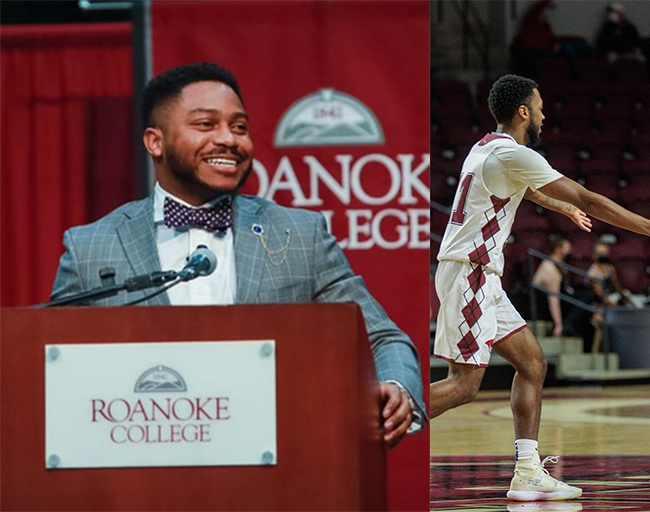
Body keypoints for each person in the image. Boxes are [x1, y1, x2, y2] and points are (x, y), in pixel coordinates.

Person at [50, 62, 425, 449]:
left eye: (240, 127)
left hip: (279, 465)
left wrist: (396, 387)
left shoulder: (299, 235)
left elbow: (382, 338)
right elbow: (54, 364)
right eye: (206, 124)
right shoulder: (91, 247)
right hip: (138, 467)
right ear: (155, 142)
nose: (229, 139)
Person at [431, 74, 650, 501]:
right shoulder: (512, 152)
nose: (542, 113)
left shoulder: (486, 147)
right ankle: (373, 428)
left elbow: (529, 189)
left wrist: (559, 205)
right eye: (537, 106)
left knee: (533, 363)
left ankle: (527, 472)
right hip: (472, 273)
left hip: (479, 275)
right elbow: (589, 197)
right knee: (465, 384)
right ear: (523, 112)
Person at [532, 235, 579, 337]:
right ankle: (566, 325)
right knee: (585, 297)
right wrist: (558, 325)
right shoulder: (550, 269)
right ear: (558, 250)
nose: (570, 253)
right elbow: (553, 298)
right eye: (567, 250)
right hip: (543, 308)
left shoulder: (561, 266)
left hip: (560, 300)